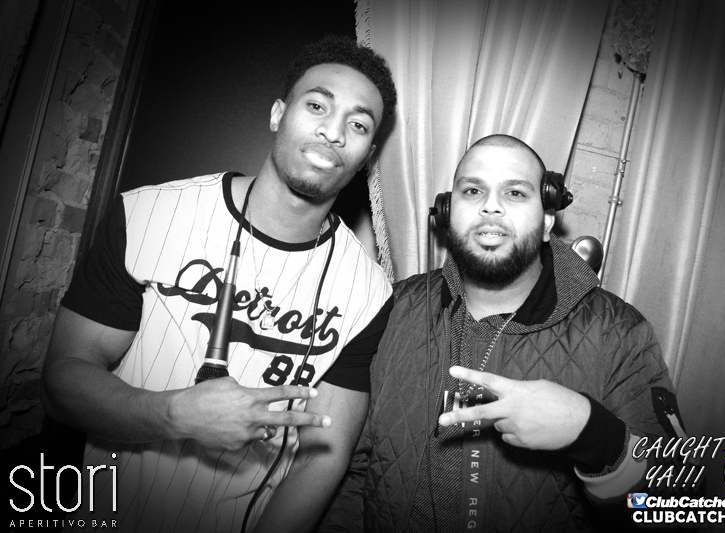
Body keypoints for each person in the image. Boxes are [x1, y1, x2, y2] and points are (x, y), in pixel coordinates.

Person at [42, 35, 397, 533]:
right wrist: (173, 415)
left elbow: (323, 456)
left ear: (367, 154)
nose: (333, 132)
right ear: (278, 114)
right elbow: (62, 381)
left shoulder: (370, 291)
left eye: (357, 124)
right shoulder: (147, 215)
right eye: (317, 105)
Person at [320, 134, 684, 532]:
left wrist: (594, 434)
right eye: (473, 190)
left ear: (547, 222)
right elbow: (348, 473)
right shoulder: (391, 309)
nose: (490, 206)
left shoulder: (618, 333)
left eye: (514, 192)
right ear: (447, 212)